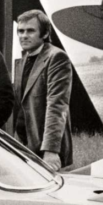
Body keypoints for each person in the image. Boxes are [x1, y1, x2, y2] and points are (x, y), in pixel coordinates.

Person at [12, 9, 72, 170]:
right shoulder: (24, 58)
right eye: (20, 31)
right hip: (24, 146)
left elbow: (57, 105)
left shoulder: (56, 57)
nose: (24, 36)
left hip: (45, 149)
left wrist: (51, 151)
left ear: (45, 34)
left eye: (30, 31)